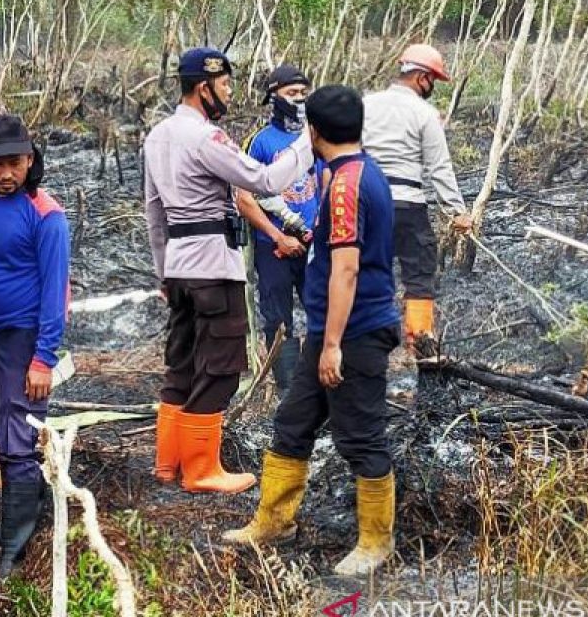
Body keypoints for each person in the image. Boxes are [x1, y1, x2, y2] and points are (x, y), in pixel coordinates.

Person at [223, 85, 402, 578]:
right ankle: (273, 522)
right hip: (330, 330)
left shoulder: (347, 185)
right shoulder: (353, 171)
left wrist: (332, 346)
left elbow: (346, 269)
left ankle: (375, 541)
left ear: (313, 131)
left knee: (361, 436)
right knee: (293, 423)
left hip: (353, 335)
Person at [144, 47, 314, 495]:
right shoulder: (207, 138)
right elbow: (263, 181)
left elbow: (153, 212)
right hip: (213, 267)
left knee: (181, 364)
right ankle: (201, 469)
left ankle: (169, 463)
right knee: (219, 366)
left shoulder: (156, 136)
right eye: (224, 85)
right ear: (204, 87)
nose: (230, 93)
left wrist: (164, 272)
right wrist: (308, 143)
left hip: (179, 267)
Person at [0, 114, 70, 577]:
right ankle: (23, 517)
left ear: (30, 161)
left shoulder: (47, 214)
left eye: (15, 163)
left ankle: (15, 544)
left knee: (19, 438)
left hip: (22, 340)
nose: (7, 174)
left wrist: (44, 358)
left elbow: (56, 291)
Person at [361, 43, 471, 352]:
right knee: (419, 275)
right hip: (408, 203)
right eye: (432, 80)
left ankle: (366, 345)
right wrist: (456, 212)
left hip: (367, 203)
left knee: (366, 271)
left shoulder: (365, 104)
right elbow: (439, 167)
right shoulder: (425, 113)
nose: (432, 87)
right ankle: (419, 344)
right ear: (421, 77)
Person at [235, 64, 318, 390]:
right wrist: (279, 236)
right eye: (291, 93)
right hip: (273, 245)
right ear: (274, 96)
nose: (298, 99)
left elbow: (326, 181)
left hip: (314, 239)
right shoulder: (258, 143)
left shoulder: (316, 137)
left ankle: (318, 382)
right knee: (278, 318)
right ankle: (288, 390)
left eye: (303, 93)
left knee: (322, 309)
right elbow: (244, 198)